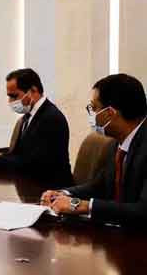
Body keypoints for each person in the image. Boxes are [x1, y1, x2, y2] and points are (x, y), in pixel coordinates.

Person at [41, 74, 147, 226]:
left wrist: (83, 206)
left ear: (110, 113)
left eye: (94, 108)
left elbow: (143, 210)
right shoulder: (115, 143)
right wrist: (62, 194)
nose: (92, 114)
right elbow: (100, 186)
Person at [0, 68, 74, 188]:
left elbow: (33, 163)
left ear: (33, 90)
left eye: (14, 96)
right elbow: (22, 153)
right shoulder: (29, 115)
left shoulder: (51, 118)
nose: (10, 101)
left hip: (49, 187)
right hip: (29, 182)